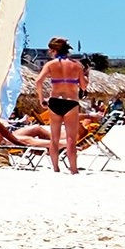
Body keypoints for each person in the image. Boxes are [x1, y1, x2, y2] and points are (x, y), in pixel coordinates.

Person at [35, 38, 89, 174]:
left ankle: (56, 168)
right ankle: (73, 169)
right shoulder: (77, 65)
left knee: (54, 137)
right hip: (71, 101)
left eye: (50, 50)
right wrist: (85, 77)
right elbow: (83, 86)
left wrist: (42, 99)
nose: (49, 52)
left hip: (55, 101)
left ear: (55, 50)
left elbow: (38, 81)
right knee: (71, 138)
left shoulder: (51, 64)